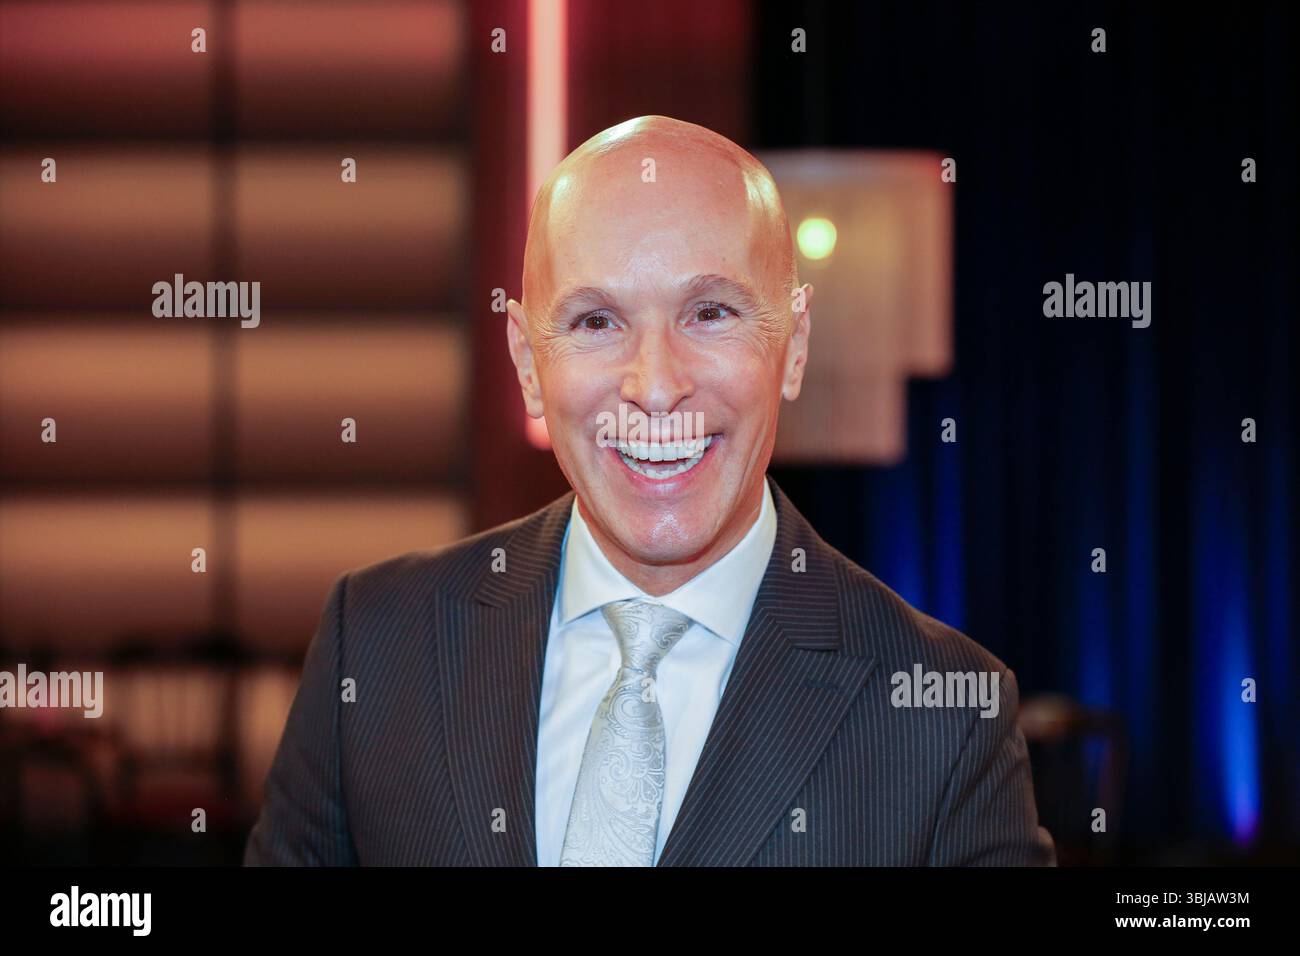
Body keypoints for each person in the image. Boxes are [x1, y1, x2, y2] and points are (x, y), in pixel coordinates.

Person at [245, 115, 1055, 866]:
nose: (657, 386)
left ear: (795, 344)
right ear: (528, 364)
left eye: (710, 313)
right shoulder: (375, 642)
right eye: (597, 321)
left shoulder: (947, 719)